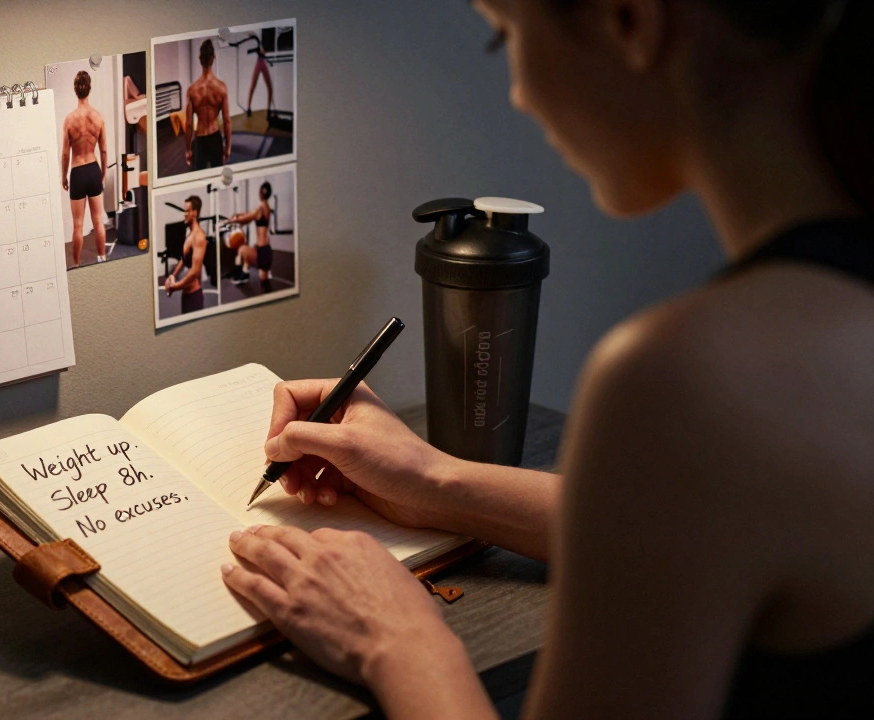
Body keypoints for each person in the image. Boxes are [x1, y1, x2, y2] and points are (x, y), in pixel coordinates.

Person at [220, 1, 874, 718]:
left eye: (505, 38)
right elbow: (708, 522)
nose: (520, 95)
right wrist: (435, 480)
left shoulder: (692, 379)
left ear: (631, 20)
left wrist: (395, 640)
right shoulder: (816, 333)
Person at [61, 70, 108, 265]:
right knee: (98, 221)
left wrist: (63, 177)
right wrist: (102, 174)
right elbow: (104, 151)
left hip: (78, 172)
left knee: (78, 226)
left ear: (75, 89)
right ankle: (102, 257)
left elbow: (65, 154)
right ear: (89, 89)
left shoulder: (69, 120)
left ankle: (78, 264)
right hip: (93, 169)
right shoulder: (98, 117)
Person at [184, 39, 232, 170]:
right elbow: (227, 121)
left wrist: (188, 149)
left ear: (200, 59)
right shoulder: (221, 88)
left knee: (200, 179)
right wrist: (227, 147)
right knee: (217, 176)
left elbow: (188, 124)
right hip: (215, 138)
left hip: (200, 140)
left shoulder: (192, 90)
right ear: (213, 58)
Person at [222, 181, 275, 287]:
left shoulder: (259, 210)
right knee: (265, 283)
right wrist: (238, 215)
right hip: (267, 251)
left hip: (261, 252)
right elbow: (249, 214)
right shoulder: (267, 209)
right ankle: (245, 272)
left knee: (241, 249)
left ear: (261, 192)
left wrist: (229, 221)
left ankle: (241, 274)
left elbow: (245, 220)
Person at [164, 195, 209, 314]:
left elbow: (194, 272)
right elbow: (184, 259)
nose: (184, 214)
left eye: (187, 211)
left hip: (194, 296)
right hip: (186, 295)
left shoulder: (199, 237)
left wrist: (175, 286)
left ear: (194, 212)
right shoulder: (190, 235)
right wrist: (172, 276)